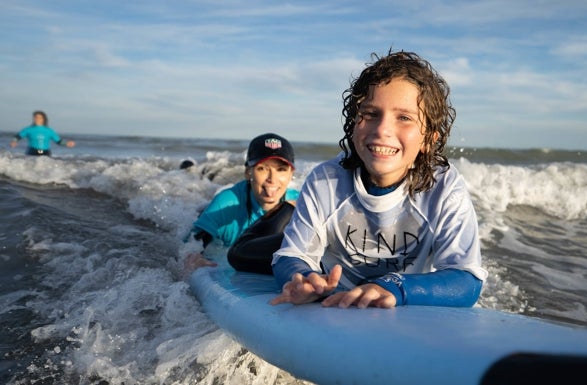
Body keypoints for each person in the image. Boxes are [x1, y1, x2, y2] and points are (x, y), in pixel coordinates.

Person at [270, 51, 488, 309]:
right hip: (337, 297)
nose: (382, 129)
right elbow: (291, 255)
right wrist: (307, 280)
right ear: (353, 124)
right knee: (247, 255)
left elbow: (466, 279)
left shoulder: (443, 189)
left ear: (429, 139)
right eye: (371, 114)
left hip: (396, 293)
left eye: (404, 118)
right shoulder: (326, 181)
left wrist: (394, 287)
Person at [185, 133, 299, 274]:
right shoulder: (226, 204)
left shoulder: (299, 204)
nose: (272, 179)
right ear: (247, 172)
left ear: (291, 174)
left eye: (281, 169)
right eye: (262, 168)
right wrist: (193, 257)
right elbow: (190, 246)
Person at [10, 111, 75, 156]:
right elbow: (17, 137)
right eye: (35, 117)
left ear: (43, 119)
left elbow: (58, 141)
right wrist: (14, 141)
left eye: (39, 117)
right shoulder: (28, 129)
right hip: (32, 150)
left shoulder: (49, 130)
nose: (37, 119)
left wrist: (67, 143)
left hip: (45, 151)